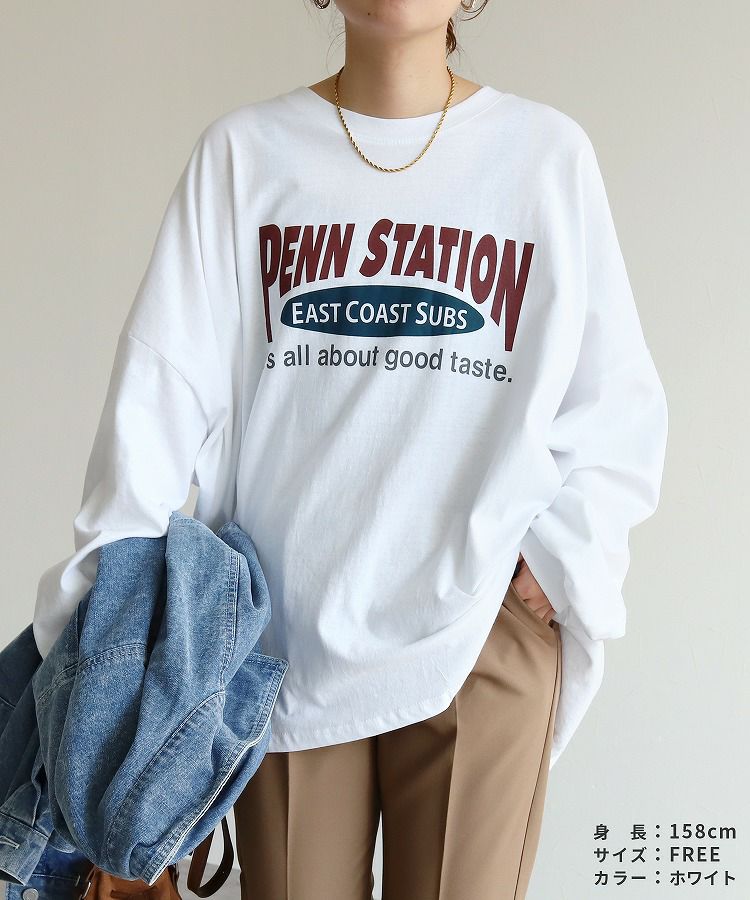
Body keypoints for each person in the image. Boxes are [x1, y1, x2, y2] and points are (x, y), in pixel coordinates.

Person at [31, 1, 669, 897]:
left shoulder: (544, 157)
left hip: (477, 637)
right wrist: (113, 689)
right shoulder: (243, 156)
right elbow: (152, 412)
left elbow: (616, 404)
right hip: (278, 651)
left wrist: (560, 563)